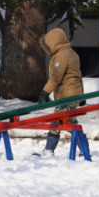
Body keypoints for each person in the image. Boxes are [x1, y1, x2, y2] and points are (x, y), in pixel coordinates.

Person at [35, 28, 85, 156]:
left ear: (54, 43)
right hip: (73, 94)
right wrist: (82, 95)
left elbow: (56, 78)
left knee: (56, 121)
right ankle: (84, 150)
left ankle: (49, 150)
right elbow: (78, 75)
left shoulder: (61, 56)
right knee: (72, 123)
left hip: (67, 96)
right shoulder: (72, 53)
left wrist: (44, 93)